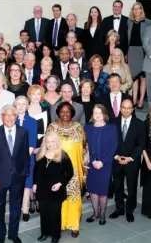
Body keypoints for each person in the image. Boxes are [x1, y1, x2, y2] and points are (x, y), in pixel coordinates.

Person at [0, 105, 30, 243]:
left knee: (16, 208)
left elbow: (25, 155)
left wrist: (25, 172)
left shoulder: (23, 132)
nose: (10, 118)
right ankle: (1, 236)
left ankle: (13, 234)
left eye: (13, 115)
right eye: (7, 115)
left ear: (16, 117)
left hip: (18, 177)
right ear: (2, 117)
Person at [46, 102, 85, 237]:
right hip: (57, 169)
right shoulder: (52, 127)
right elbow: (46, 147)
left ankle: (74, 224)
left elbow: (84, 148)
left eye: (68, 111)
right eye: (62, 111)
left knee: (74, 197)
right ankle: (60, 223)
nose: (65, 114)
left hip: (74, 170)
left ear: (72, 113)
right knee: (58, 198)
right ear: (58, 113)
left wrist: (84, 168)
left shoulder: (78, 127)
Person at [33, 132, 74, 243]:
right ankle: (44, 233)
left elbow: (70, 172)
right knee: (44, 213)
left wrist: (61, 183)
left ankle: (56, 235)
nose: (50, 144)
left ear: (57, 142)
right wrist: (35, 183)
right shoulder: (41, 154)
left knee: (55, 213)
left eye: (52, 141)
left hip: (56, 190)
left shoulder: (63, 155)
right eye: (48, 141)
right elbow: (36, 172)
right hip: (42, 189)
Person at [109, 99, 145, 223]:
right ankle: (119, 209)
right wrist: (116, 156)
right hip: (116, 160)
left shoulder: (139, 124)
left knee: (131, 187)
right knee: (117, 186)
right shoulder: (112, 123)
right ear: (120, 108)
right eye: (123, 107)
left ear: (132, 109)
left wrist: (130, 158)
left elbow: (141, 144)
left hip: (132, 162)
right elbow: (110, 143)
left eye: (129, 108)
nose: (126, 110)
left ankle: (129, 210)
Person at [84, 104, 118, 224]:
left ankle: (102, 214)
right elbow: (86, 146)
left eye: (100, 113)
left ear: (104, 114)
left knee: (103, 191)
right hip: (92, 164)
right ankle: (95, 213)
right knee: (93, 189)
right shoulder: (87, 128)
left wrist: (102, 162)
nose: (97, 115)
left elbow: (113, 147)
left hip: (105, 164)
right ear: (92, 115)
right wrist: (92, 160)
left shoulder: (112, 128)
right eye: (95, 113)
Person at [14, 96, 38, 221]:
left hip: (28, 158)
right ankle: (17, 208)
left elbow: (32, 142)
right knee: (17, 184)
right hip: (13, 160)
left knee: (27, 184)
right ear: (15, 106)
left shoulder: (32, 121)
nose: (21, 106)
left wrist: (23, 158)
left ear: (27, 106)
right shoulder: (11, 120)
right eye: (18, 104)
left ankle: (25, 209)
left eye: (24, 104)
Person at [127, 2, 151, 109]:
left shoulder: (148, 23)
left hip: (143, 51)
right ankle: (134, 100)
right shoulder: (129, 22)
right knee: (134, 77)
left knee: (143, 78)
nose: (136, 10)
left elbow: (150, 40)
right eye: (134, 9)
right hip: (132, 51)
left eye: (138, 8)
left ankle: (141, 100)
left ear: (141, 10)